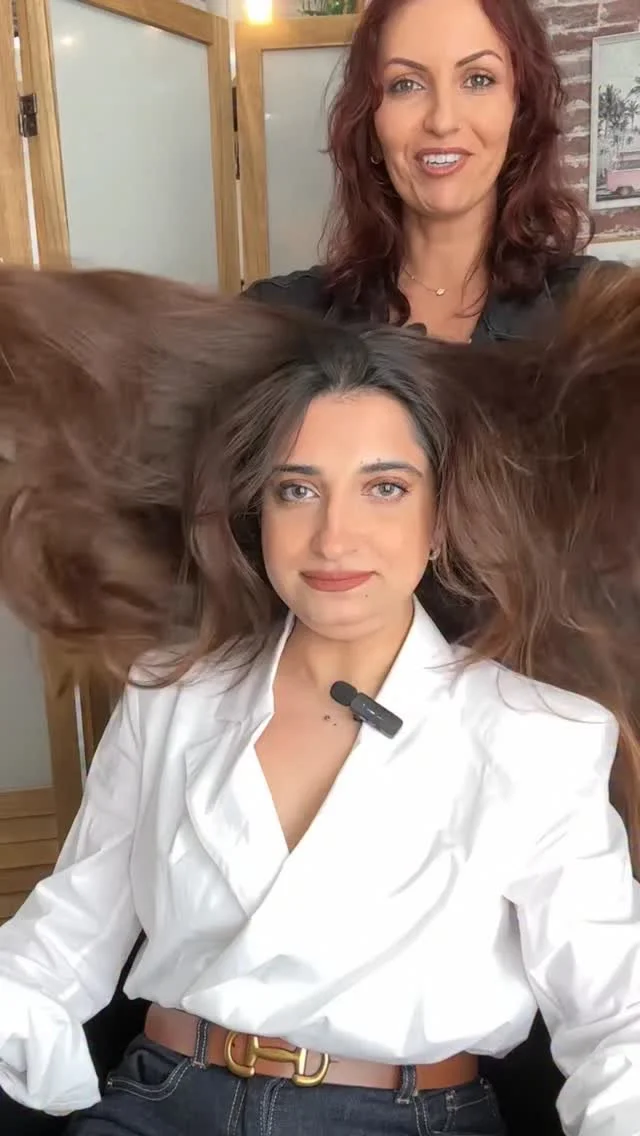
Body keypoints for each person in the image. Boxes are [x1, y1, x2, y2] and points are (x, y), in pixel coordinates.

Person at [0, 261, 639, 1136]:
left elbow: (619, 1019)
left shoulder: (540, 735)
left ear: (440, 518)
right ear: (256, 513)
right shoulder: (171, 695)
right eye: (296, 489)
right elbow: (59, 945)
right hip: (161, 1102)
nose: (335, 537)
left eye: (385, 488)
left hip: (405, 1119)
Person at [246, 0, 598, 343]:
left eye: (478, 79)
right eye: (406, 84)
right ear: (371, 128)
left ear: (520, 114)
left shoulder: (599, 318)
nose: (442, 121)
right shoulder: (277, 322)